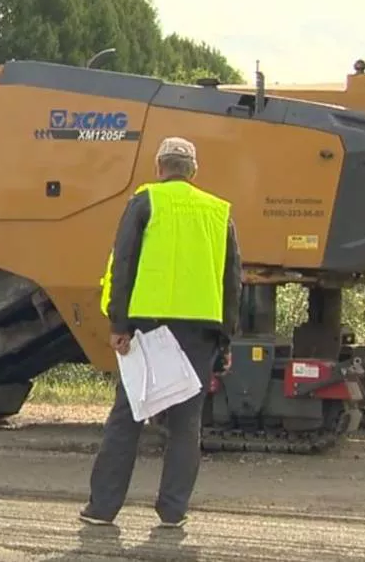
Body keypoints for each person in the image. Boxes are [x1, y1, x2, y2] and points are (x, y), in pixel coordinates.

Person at [80, 136, 242, 529]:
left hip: (149, 327)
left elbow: (124, 264)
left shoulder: (145, 201)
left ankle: (102, 508)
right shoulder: (219, 212)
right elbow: (232, 281)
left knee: (128, 416)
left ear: (159, 168)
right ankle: (173, 510)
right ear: (194, 173)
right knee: (187, 424)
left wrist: (119, 324)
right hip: (200, 331)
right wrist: (226, 339)